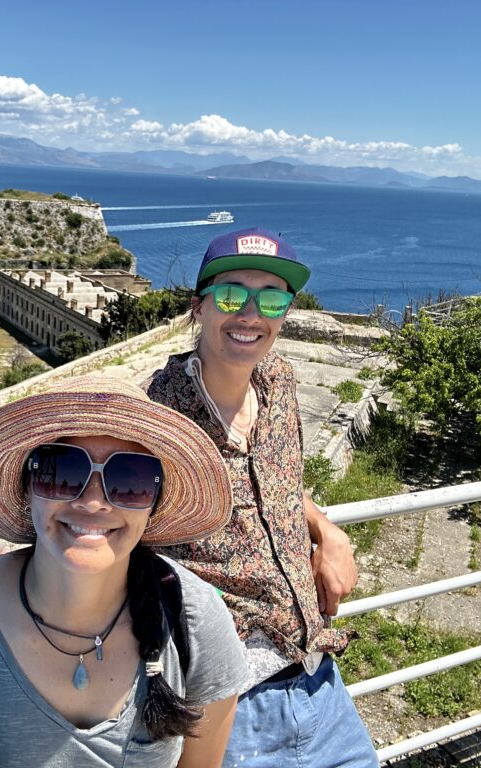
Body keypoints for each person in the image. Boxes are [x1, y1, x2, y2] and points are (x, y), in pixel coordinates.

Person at [145, 227, 378, 767]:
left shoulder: (279, 382)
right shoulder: (158, 417)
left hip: (317, 675)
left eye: (271, 298)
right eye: (231, 295)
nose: (250, 314)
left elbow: (280, 482)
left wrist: (327, 530)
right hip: (229, 703)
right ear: (198, 307)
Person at [0, 376, 249, 768]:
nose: (94, 502)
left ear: (153, 503)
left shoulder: (194, 621)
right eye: (61, 469)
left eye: (129, 478)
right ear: (26, 488)